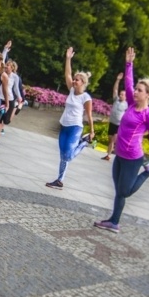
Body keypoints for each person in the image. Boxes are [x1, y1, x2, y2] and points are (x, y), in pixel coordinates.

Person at [94, 47, 149, 233]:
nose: (136, 91)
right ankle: (113, 222)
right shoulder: (132, 103)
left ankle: (147, 171)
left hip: (133, 158)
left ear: (148, 94)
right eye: (136, 89)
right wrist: (129, 64)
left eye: (140, 90)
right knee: (118, 191)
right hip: (120, 155)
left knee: (125, 191)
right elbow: (128, 80)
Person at [46, 47, 95, 190]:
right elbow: (67, 73)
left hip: (75, 127)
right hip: (64, 126)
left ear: (83, 83)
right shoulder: (72, 90)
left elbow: (89, 115)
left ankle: (83, 142)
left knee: (68, 155)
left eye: (78, 80)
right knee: (63, 155)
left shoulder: (86, 98)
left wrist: (91, 131)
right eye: (74, 79)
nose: (74, 81)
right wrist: (68, 59)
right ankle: (59, 181)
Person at [0, 55, 21, 145]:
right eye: (6, 65)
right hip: (0, 99)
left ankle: (15, 109)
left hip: (10, 99)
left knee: (7, 121)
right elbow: (1, 58)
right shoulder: (2, 73)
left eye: (8, 65)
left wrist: (19, 97)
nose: (6, 66)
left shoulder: (15, 77)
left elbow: (16, 88)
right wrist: (5, 49)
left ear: (12, 67)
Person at [102, 73, 128, 161]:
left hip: (118, 125)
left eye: (122, 95)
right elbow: (115, 90)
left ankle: (113, 154)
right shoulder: (116, 100)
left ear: (126, 96)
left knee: (113, 140)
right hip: (112, 123)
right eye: (120, 94)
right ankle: (108, 154)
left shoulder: (126, 105)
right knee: (110, 140)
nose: (120, 95)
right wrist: (117, 80)